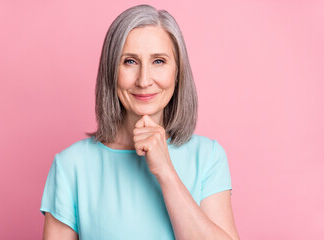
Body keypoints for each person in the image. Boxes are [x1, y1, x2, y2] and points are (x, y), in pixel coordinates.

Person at [40, 4, 240, 240]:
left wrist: (166, 172)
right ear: (110, 71)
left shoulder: (208, 158)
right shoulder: (70, 166)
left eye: (158, 61)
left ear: (178, 72)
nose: (144, 81)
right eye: (130, 62)